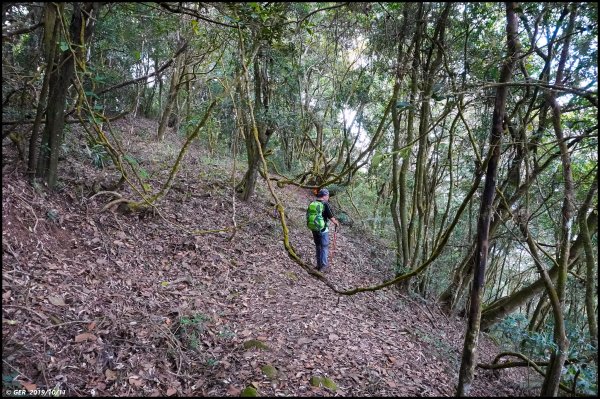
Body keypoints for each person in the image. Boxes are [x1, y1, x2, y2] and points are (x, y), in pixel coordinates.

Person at [311, 188, 340, 272]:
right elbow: (331, 217)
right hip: (323, 229)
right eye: (328, 196)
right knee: (324, 247)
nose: (328, 197)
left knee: (318, 246)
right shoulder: (325, 204)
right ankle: (323, 266)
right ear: (324, 196)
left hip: (314, 228)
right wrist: (336, 223)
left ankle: (318, 265)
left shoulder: (313, 203)